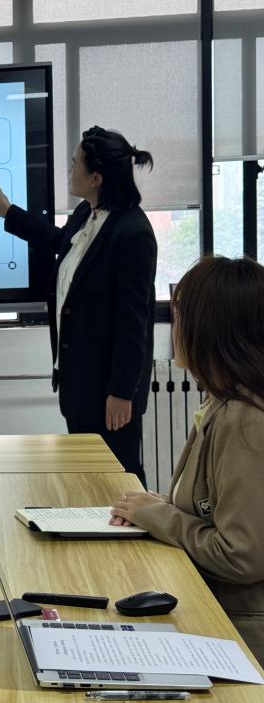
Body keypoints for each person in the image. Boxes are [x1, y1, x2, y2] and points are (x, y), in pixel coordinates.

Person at [109, 256, 264, 663]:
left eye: (178, 317)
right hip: (214, 608)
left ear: (207, 328)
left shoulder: (245, 419)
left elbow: (241, 555)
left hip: (239, 631)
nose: (173, 330)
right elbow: (219, 511)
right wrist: (162, 506)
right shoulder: (223, 401)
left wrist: (159, 517)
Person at [0, 126, 157, 481]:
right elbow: (59, 240)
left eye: (75, 163)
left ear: (96, 178)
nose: (70, 169)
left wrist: (122, 392)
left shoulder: (133, 234)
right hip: (78, 384)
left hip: (109, 393)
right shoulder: (86, 213)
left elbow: (134, 324)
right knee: (88, 478)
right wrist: (9, 212)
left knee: (118, 478)